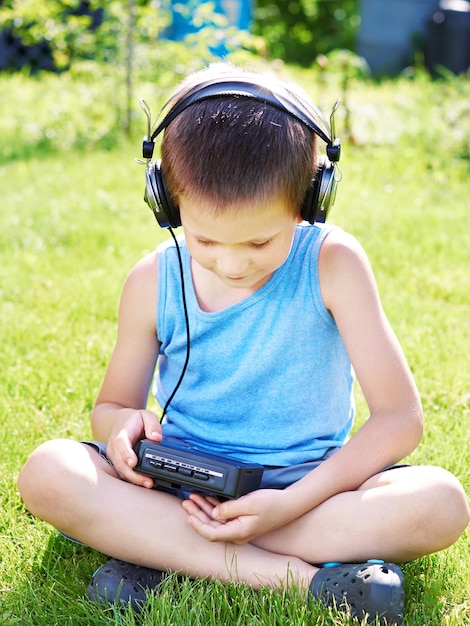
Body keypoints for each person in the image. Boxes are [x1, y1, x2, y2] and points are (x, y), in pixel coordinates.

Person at [18, 63, 469, 625]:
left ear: (310, 201)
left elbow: (400, 420)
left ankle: (163, 554)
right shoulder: (152, 279)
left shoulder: (333, 264)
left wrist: (286, 503)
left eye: (260, 240)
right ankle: (299, 580)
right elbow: (111, 409)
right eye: (204, 239)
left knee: (440, 503)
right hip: (178, 491)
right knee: (48, 471)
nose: (232, 263)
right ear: (166, 202)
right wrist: (121, 431)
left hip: (306, 494)